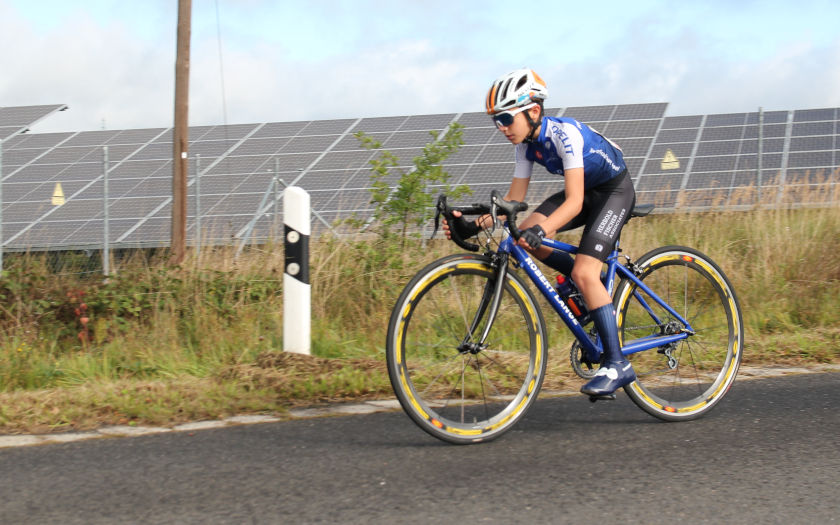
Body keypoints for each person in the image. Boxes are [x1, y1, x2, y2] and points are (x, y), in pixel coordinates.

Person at [443, 68, 636, 397]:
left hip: (613, 192)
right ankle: (581, 285)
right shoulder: (525, 146)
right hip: (588, 192)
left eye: (505, 118)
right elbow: (513, 202)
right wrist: (472, 224)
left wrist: (543, 229)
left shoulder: (565, 135)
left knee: (584, 269)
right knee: (523, 234)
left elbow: (574, 203)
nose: (501, 127)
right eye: (496, 121)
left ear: (533, 111)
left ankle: (618, 364)